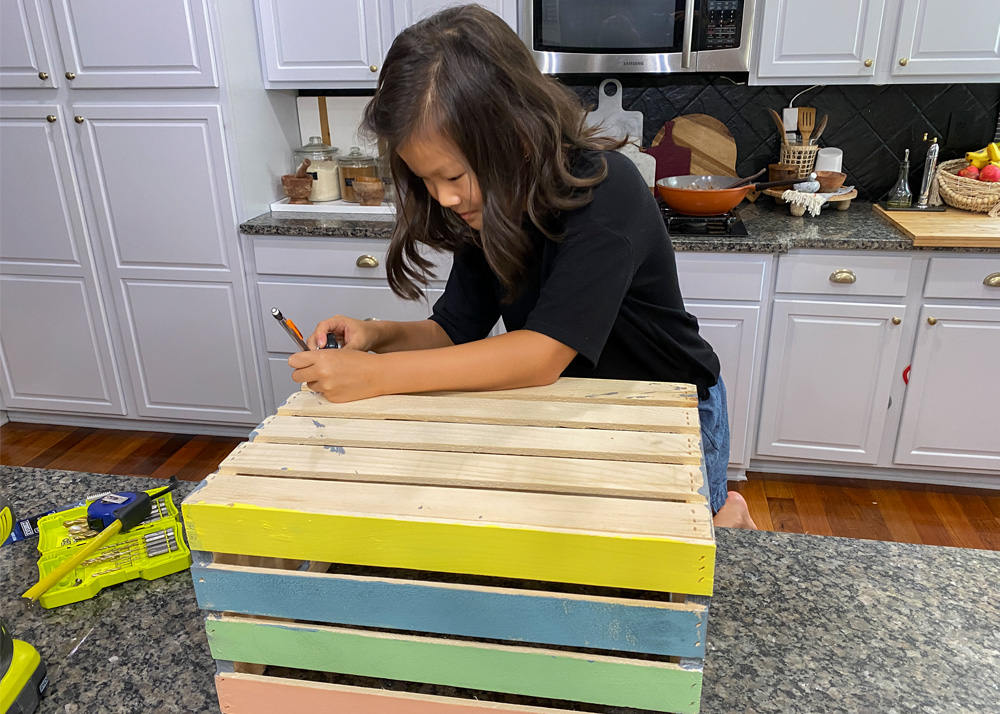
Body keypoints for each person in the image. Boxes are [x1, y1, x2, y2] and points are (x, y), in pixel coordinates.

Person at [288, 4, 756, 529]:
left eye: (454, 175)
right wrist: (377, 335)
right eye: (425, 180)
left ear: (516, 131)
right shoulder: (484, 207)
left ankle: (729, 512)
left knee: (683, 545)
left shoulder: (607, 190)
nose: (442, 198)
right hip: (575, 407)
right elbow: (453, 329)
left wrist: (375, 376)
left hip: (669, 406)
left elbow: (539, 355)